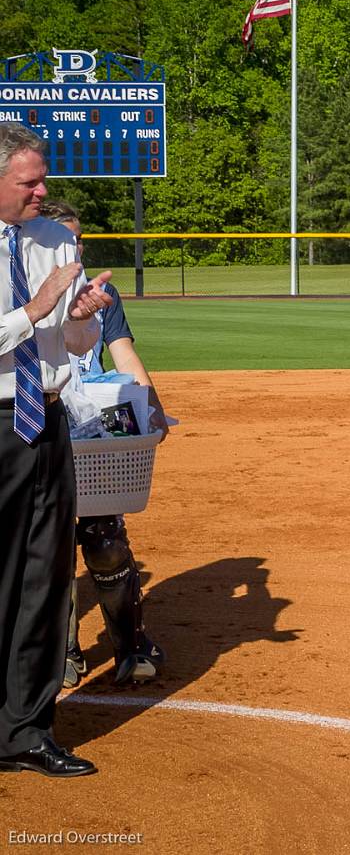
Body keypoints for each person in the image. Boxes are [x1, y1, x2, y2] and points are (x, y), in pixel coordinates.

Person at [0, 123, 114, 777]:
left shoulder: (54, 241)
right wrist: (34, 308)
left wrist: (79, 314)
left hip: (43, 421)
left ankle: (26, 730)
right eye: (29, 182)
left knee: (44, 579)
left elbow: (72, 345)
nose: (43, 191)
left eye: (43, 179)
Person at [39, 200, 168, 688]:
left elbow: (122, 352)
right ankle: (63, 652)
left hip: (98, 421)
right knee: (48, 544)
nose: (73, 249)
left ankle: (131, 645)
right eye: (62, 239)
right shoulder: (23, 286)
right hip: (45, 417)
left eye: (77, 240)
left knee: (104, 539)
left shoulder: (101, 291)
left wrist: (150, 406)